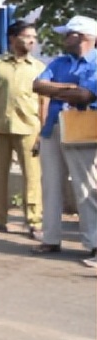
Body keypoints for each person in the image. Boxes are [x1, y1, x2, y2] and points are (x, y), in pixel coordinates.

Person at [31, 15, 97, 258]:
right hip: (53, 128)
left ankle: (93, 243)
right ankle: (51, 238)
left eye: (68, 34)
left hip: (83, 128)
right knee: (50, 185)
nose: (64, 38)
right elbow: (38, 85)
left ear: (82, 37)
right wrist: (70, 88)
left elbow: (85, 96)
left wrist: (60, 89)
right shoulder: (59, 62)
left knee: (86, 186)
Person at [0, 20, 45, 236]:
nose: (31, 40)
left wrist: (43, 130)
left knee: (32, 177)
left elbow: (44, 102)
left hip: (29, 129)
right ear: (13, 39)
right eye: (26, 36)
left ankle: (34, 221)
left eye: (34, 37)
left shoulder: (39, 68)